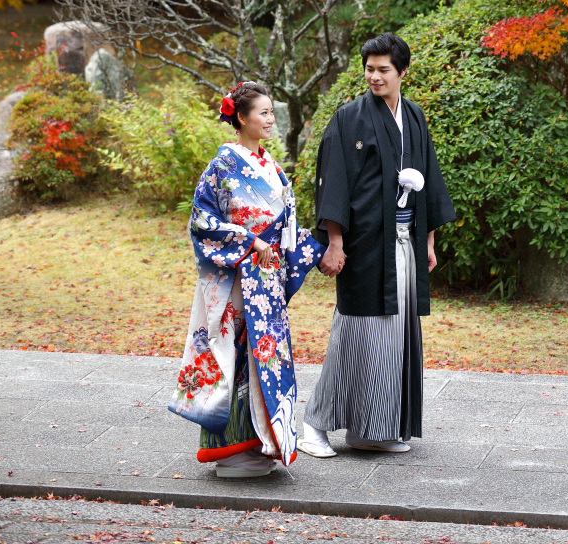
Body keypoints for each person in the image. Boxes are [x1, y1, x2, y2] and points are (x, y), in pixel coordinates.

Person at [299, 32, 455, 458]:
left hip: (402, 241)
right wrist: (334, 241)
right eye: (369, 68)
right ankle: (313, 424)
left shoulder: (415, 116)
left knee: (393, 336)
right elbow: (334, 182)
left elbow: (429, 181)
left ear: (403, 72)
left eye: (383, 69)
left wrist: (428, 240)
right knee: (355, 331)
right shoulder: (349, 118)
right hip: (363, 243)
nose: (374, 76)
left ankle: (371, 428)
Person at [169, 81, 325, 477]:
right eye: (263, 113)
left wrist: (316, 246)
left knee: (264, 358)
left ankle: (259, 442)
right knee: (233, 355)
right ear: (241, 117)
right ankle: (228, 448)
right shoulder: (222, 165)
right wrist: (249, 240)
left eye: (272, 112)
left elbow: (285, 224)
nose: (270, 119)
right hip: (236, 277)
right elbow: (202, 221)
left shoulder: (270, 165)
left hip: (266, 278)